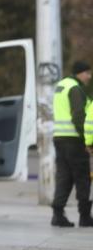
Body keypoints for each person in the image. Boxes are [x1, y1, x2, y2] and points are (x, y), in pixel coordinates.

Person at [51, 61, 92, 227]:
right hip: (74, 140)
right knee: (82, 178)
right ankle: (85, 216)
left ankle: (58, 214)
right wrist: (86, 140)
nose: (89, 76)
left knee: (64, 177)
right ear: (80, 73)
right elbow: (78, 117)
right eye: (87, 73)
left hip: (59, 138)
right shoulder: (75, 88)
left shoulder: (61, 86)